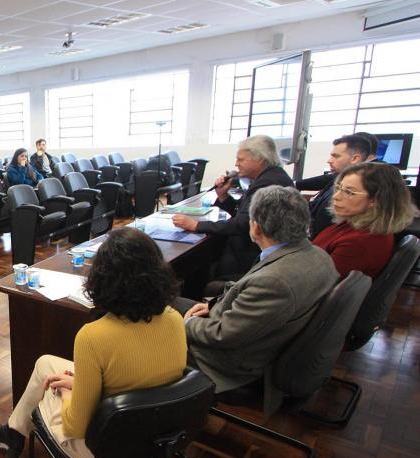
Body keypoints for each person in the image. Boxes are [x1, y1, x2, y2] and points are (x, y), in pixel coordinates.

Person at [0, 227, 186, 458]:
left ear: (101, 280)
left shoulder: (94, 336)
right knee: (45, 364)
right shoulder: (174, 319)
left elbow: (75, 426)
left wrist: (70, 391)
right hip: (158, 443)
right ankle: (14, 432)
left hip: (108, 453)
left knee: (50, 389)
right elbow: (139, 383)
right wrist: (82, 385)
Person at [177, 185, 337, 393]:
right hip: (256, 335)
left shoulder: (274, 282)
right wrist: (213, 305)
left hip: (227, 363)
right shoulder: (320, 256)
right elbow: (250, 297)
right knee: (168, 303)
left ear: (256, 228)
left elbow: (222, 335)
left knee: (149, 329)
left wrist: (185, 323)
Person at [172, 135, 294, 279]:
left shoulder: (267, 183)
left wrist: (196, 225)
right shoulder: (269, 177)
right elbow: (243, 213)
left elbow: (242, 224)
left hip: (250, 255)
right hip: (253, 248)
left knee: (196, 261)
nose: (236, 164)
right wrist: (223, 196)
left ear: (260, 159)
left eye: (240, 160)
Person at [313, 162, 416, 279]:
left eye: (349, 192)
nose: (335, 196)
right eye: (339, 188)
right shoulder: (354, 224)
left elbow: (316, 282)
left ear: (375, 200)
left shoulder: (359, 243)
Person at [297, 134, 372, 239]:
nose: (329, 160)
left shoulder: (363, 187)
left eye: (336, 156)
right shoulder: (336, 179)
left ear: (355, 158)